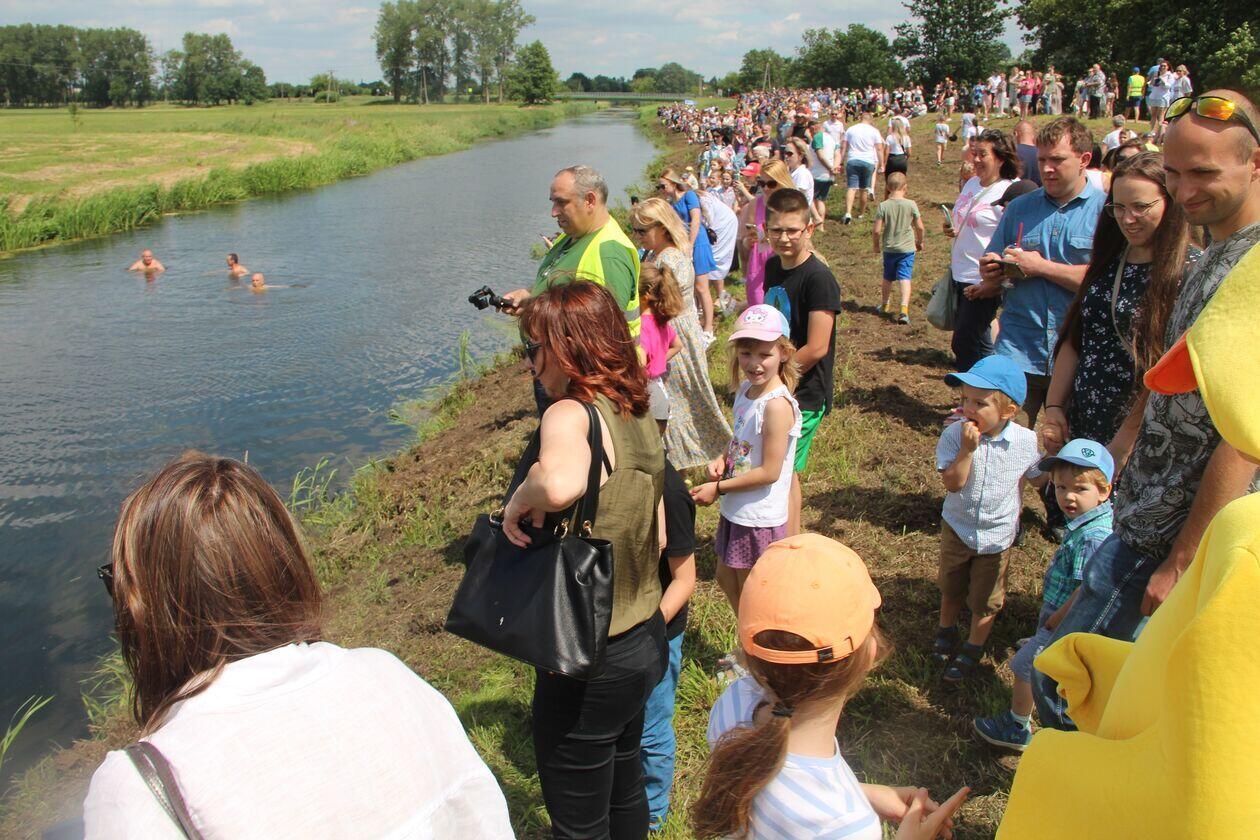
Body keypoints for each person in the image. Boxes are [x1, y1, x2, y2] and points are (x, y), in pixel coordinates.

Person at [83, 453, 513, 838]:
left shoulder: (141, 787)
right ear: (281, 563)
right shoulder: (387, 674)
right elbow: (482, 818)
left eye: (116, 582)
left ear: (145, 605)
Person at [1000, 242, 1260, 838]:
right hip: (1146, 527)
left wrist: (1180, 558)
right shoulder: (1208, 262)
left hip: (1163, 545)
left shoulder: (1242, 532)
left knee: (1061, 672)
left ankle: (1087, 793)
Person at [1032, 90, 1260, 729]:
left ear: (1255, 164)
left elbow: (1245, 436)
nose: (1185, 191)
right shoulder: (1219, 254)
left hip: (1176, 534)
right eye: (1177, 173)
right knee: (1097, 679)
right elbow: (1171, 384)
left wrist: (1182, 558)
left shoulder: (1251, 271)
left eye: (1204, 172)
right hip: (1144, 512)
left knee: (1069, 681)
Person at [506, 281, 667, 839]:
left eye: (534, 349)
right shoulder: (636, 407)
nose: (530, 364)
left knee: (578, 822)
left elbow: (558, 484)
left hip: (587, 651)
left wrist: (519, 499)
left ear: (567, 348)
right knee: (625, 783)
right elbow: (658, 531)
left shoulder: (570, 413)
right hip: (645, 633)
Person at [693, 534, 969, 840]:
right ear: (870, 654)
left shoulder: (735, 701)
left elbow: (772, 787)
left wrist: (861, 793)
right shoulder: (848, 827)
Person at [1040, 152, 1196, 465]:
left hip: (1141, 439)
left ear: (1170, 203)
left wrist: (1123, 445)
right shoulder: (1110, 259)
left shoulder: (1191, 272)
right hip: (1083, 423)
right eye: (1119, 208)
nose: (1127, 218)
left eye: (1140, 207)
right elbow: (1078, 335)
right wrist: (1054, 407)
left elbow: (1169, 370)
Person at [972, 440, 1114, 751]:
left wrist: (1055, 622)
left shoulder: (1093, 536)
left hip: (1064, 619)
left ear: (1104, 491)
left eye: (1080, 489)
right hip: (1056, 615)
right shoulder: (1090, 522)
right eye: (1061, 488)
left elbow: (1086, 589)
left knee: (1025, 666)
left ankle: (1017, 727)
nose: (1068, 496)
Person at [979, 117, 1107, 427]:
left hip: (1078, 354)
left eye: (1057, 160)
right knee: (1003, 440)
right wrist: (992, 267)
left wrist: (1041, 267)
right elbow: (993, 264)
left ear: (1084, 160)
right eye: (1041, 160)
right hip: (1019, 350)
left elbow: (1103, 282)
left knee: (1067, 448)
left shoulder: (1107, 213)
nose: (1047, 169)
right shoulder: (1019, 208)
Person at [933, 355, 1045, 683]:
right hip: (958, 527)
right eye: (965, 399)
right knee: (951, 584)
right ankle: (946, 628)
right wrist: (967, 451)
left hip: (997, 535)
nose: (968, 408)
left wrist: (1053, 458)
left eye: (979, 403)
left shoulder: (1025, 441)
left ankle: (973, 645)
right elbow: (953, 484)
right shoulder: (954, 436)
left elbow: (1038, 478)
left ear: (1009, 411)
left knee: (986, 599)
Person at [691, 305, 801, 619]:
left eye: (764, 354)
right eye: (746, 353)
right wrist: (722, 458)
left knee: (753, 591)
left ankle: (757, 642)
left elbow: (769, 472)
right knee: (726, 578)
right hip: (738, 506)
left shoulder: (776, 406)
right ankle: (750, 639)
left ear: (784, 353)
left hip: (758, 517)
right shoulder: (746, 391)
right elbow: (740, 439)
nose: (754, 363)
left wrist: (718, 488)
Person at [762, 189, 842, 535]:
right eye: (777, 230)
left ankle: (790, 541)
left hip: (805, 391)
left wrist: (777, 378)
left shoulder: (819, 278)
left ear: (809, 229)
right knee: (782, 465)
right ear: (766, 229)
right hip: (777, 384)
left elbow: (818, 346)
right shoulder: (771, 266)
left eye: (792, 230)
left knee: (785, 467)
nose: (784, 238)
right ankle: (788, 538)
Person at [631, 198, 732, 470]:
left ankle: (710, 453)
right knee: (684, 397)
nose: (638, 236)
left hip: (673, 333)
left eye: (642, 230)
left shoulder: (669, 259)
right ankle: (688, 455)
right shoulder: (662, 254)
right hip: (676, 331)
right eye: (635, 230)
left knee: (682, 397)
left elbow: (663, 303)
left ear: (662, 227)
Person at [502, 165, 641, 343]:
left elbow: (605, 340)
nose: (553, 212)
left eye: (561, 202)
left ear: (589, 200)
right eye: (553, 202)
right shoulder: (571, 236)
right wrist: (531, 298)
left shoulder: (609, 255)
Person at [639, 461, 697, 832]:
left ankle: (654, 812)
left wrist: (651, 629)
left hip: (659, 629)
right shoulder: (619, 476)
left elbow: (684, 579)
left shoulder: (670, 492)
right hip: (623, 630)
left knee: (652, 723)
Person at [944, 129, 1019, 370]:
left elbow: (1016, 239)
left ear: (1001, 158)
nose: (975, 159)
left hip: (983, 278)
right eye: (974, 153)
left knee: (965, 342)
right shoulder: (972, 183)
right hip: (960, 271)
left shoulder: (1010, 190)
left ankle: (973, 389)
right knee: (980, 339)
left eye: (982, 154)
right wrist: (952, 227)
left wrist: (994, 282)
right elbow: (966, 217)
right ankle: (989, 386)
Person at [658, 169, 720, 336]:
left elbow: (696, 220)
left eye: (663, 186)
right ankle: (699, 320)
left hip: (698, 242)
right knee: (691, 286)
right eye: (659, 187)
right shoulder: (671, 204)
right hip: (684, 245)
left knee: (702, 287)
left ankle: (709, 327)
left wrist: (690, 245)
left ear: (673, 183)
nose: (661, 189)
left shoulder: (689, 196)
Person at [737, 159, 793, 307]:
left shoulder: (792, 204)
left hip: (784, 263)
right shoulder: (755, 204)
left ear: (781, 182)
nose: (766, 188)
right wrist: (748, 241)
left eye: (771, 184)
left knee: (784, 312)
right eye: (762, 183)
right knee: (760, 311)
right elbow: (746, 241)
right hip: (759, 266)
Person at [638, 263, 684, 434]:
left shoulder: (640, 327)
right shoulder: (661, 321)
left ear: (644, 296)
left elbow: (640, 364)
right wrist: (658, 360)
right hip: (659, 390)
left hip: (646, 392)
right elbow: (678, 345)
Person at [872, 172, 924, 324]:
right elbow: (920, 227)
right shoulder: (911, 204)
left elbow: (876, 230)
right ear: (905, 187)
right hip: (907, 249)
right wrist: (920, 242)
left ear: (888, 187)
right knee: (905, 278)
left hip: (889, 248)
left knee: (888, 277)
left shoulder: (883, 206)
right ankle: (904, 309)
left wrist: (876, 245)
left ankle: (885, 304)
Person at [698, 184, 740, 314]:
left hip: (722, 225)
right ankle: (721, 298)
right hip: (715, 225)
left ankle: (722, 300)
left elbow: (705, 221)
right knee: (712, 262)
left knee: (715, 261)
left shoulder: (700, 199)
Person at [840, 108, 885, 224]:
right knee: (864, 189)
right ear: (870, 120)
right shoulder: (874, 131)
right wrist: (882, 164)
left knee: (852, 188)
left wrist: (840, 161)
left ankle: (848, 213)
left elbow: (844, 147)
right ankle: (861, 213)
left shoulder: (851, 129)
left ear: (860, 119)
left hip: (853, 160)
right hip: (868, 161)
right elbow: (879, 149)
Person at [808, 115, 838, 230]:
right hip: (828, 176)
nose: (810, 134)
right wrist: (834, 168)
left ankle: (817, 220)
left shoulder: (817, 137)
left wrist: (830, 168)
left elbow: (820, 155)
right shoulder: (831, 138)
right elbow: (838, 154)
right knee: (820, 200)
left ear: (814, 127)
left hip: (817, 173)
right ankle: (820, 226)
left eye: (810, 130)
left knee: (810, 198)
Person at [1013, 120, 1041, 187]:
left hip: (1018, 192)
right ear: (1033, 135)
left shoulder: (1012, 153)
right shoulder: (1043, 154)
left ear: (1016, 134)